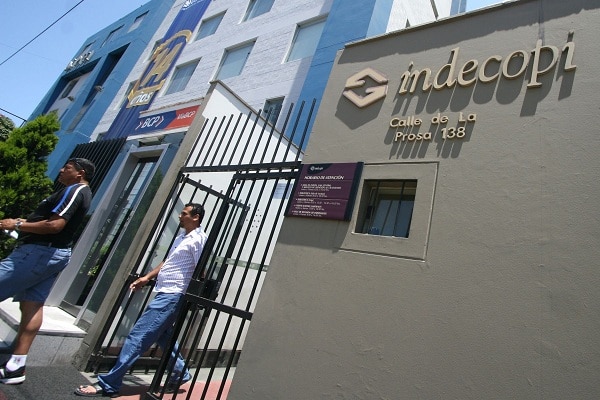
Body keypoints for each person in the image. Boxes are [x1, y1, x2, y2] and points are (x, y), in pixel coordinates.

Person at [75, 203, 208, 397]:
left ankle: (109, 383)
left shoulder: (199, 239)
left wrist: (195, 296)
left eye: (184, 213)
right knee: (163, 337)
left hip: (174, 294)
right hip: (165, 292)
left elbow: (201, 269)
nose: (180, 216)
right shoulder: (182, 237)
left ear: (196, 217)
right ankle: (180, 372)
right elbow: (168, 261)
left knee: (139, 336)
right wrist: (147, 277)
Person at [0, 157, 95, 385]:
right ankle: (16, 366)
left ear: (80, 173)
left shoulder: (75, 190)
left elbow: (55, 225)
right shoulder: (79, 192)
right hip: (51, 255)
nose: (61, 170)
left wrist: (17, 225)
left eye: (67, 167)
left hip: (40, 253)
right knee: (32, 305)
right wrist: (26, 221)